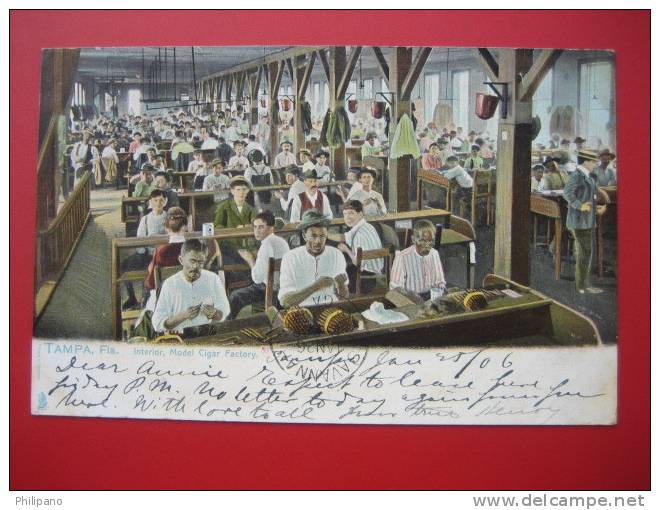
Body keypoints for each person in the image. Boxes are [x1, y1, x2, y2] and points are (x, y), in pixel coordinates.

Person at [152, 239, 230, 333]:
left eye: (200, 262)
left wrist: (215, 314)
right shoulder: (170, 284)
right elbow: (157, 323)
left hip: (207, 334)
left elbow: (224, 312)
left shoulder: (213, 279)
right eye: (192, 261)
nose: (195, 267)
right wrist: (183, 316)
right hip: (180, 338)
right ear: (181, 260)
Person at [278, 209, 349, 307]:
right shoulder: (290, 257)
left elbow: (344, 297)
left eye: (322, 236)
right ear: (304, 235)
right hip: (301, 313)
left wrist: (341, 286)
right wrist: (316, 286)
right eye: (313, 236)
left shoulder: (336, 254)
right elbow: (285, 302)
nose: (318, 241)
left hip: (331, 309)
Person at [229, 211, 290, 319]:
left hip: (270, 291)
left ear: (271, 228)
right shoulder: (282, 242)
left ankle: (228, 325)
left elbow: (257, 279)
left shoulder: (266, 245)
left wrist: (250, 259)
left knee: (235, 296)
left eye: (261, 227)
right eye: (255, 227)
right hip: (283, 287)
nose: (256, 231)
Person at [563, 150, 604, 294]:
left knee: (586, 252)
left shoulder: (589, 177)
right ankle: (582, 286)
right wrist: (580, 205)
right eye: (593, 162)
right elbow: (567, 193)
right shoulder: (577, 175)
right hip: (578, 222)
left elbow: (589, 198)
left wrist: (595, 208)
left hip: (587, 221)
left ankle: (584, 284)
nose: (595, 165)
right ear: (585, 162)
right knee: (584, 253)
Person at [122, 189, 169, 309]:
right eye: (155, 200)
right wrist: (143, 252)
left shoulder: (169, 218)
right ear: (150, 202)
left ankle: (146, 299)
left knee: (151, 271)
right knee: (124, 266)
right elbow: (140, 238)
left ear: (165, 202)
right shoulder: (146, 219)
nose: (158, 203)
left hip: (163, 254)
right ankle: (132, 297)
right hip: (146, 253)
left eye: (161, 200)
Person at [328, 200, 384, 294]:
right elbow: (343, 237)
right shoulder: (367, 226)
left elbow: (357, 262)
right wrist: (325, 234)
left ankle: (343, 296)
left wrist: (346, 250)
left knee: (340, 273)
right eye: (345, 214)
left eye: (351, 213)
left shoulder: (359, 234)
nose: (347, 218)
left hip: (367, 276)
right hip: (378, 270)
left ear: (361, 214)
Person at [390, 219, 446, 300]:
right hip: (409, 299)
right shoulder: (402, 257)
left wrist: (440, 288)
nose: (427, 245)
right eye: (423, 241)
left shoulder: (434, 254)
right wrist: (411, 297)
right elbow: (395, 289)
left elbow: (440, 281)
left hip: (431, 297)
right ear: (413, 239)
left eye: (430, 241)